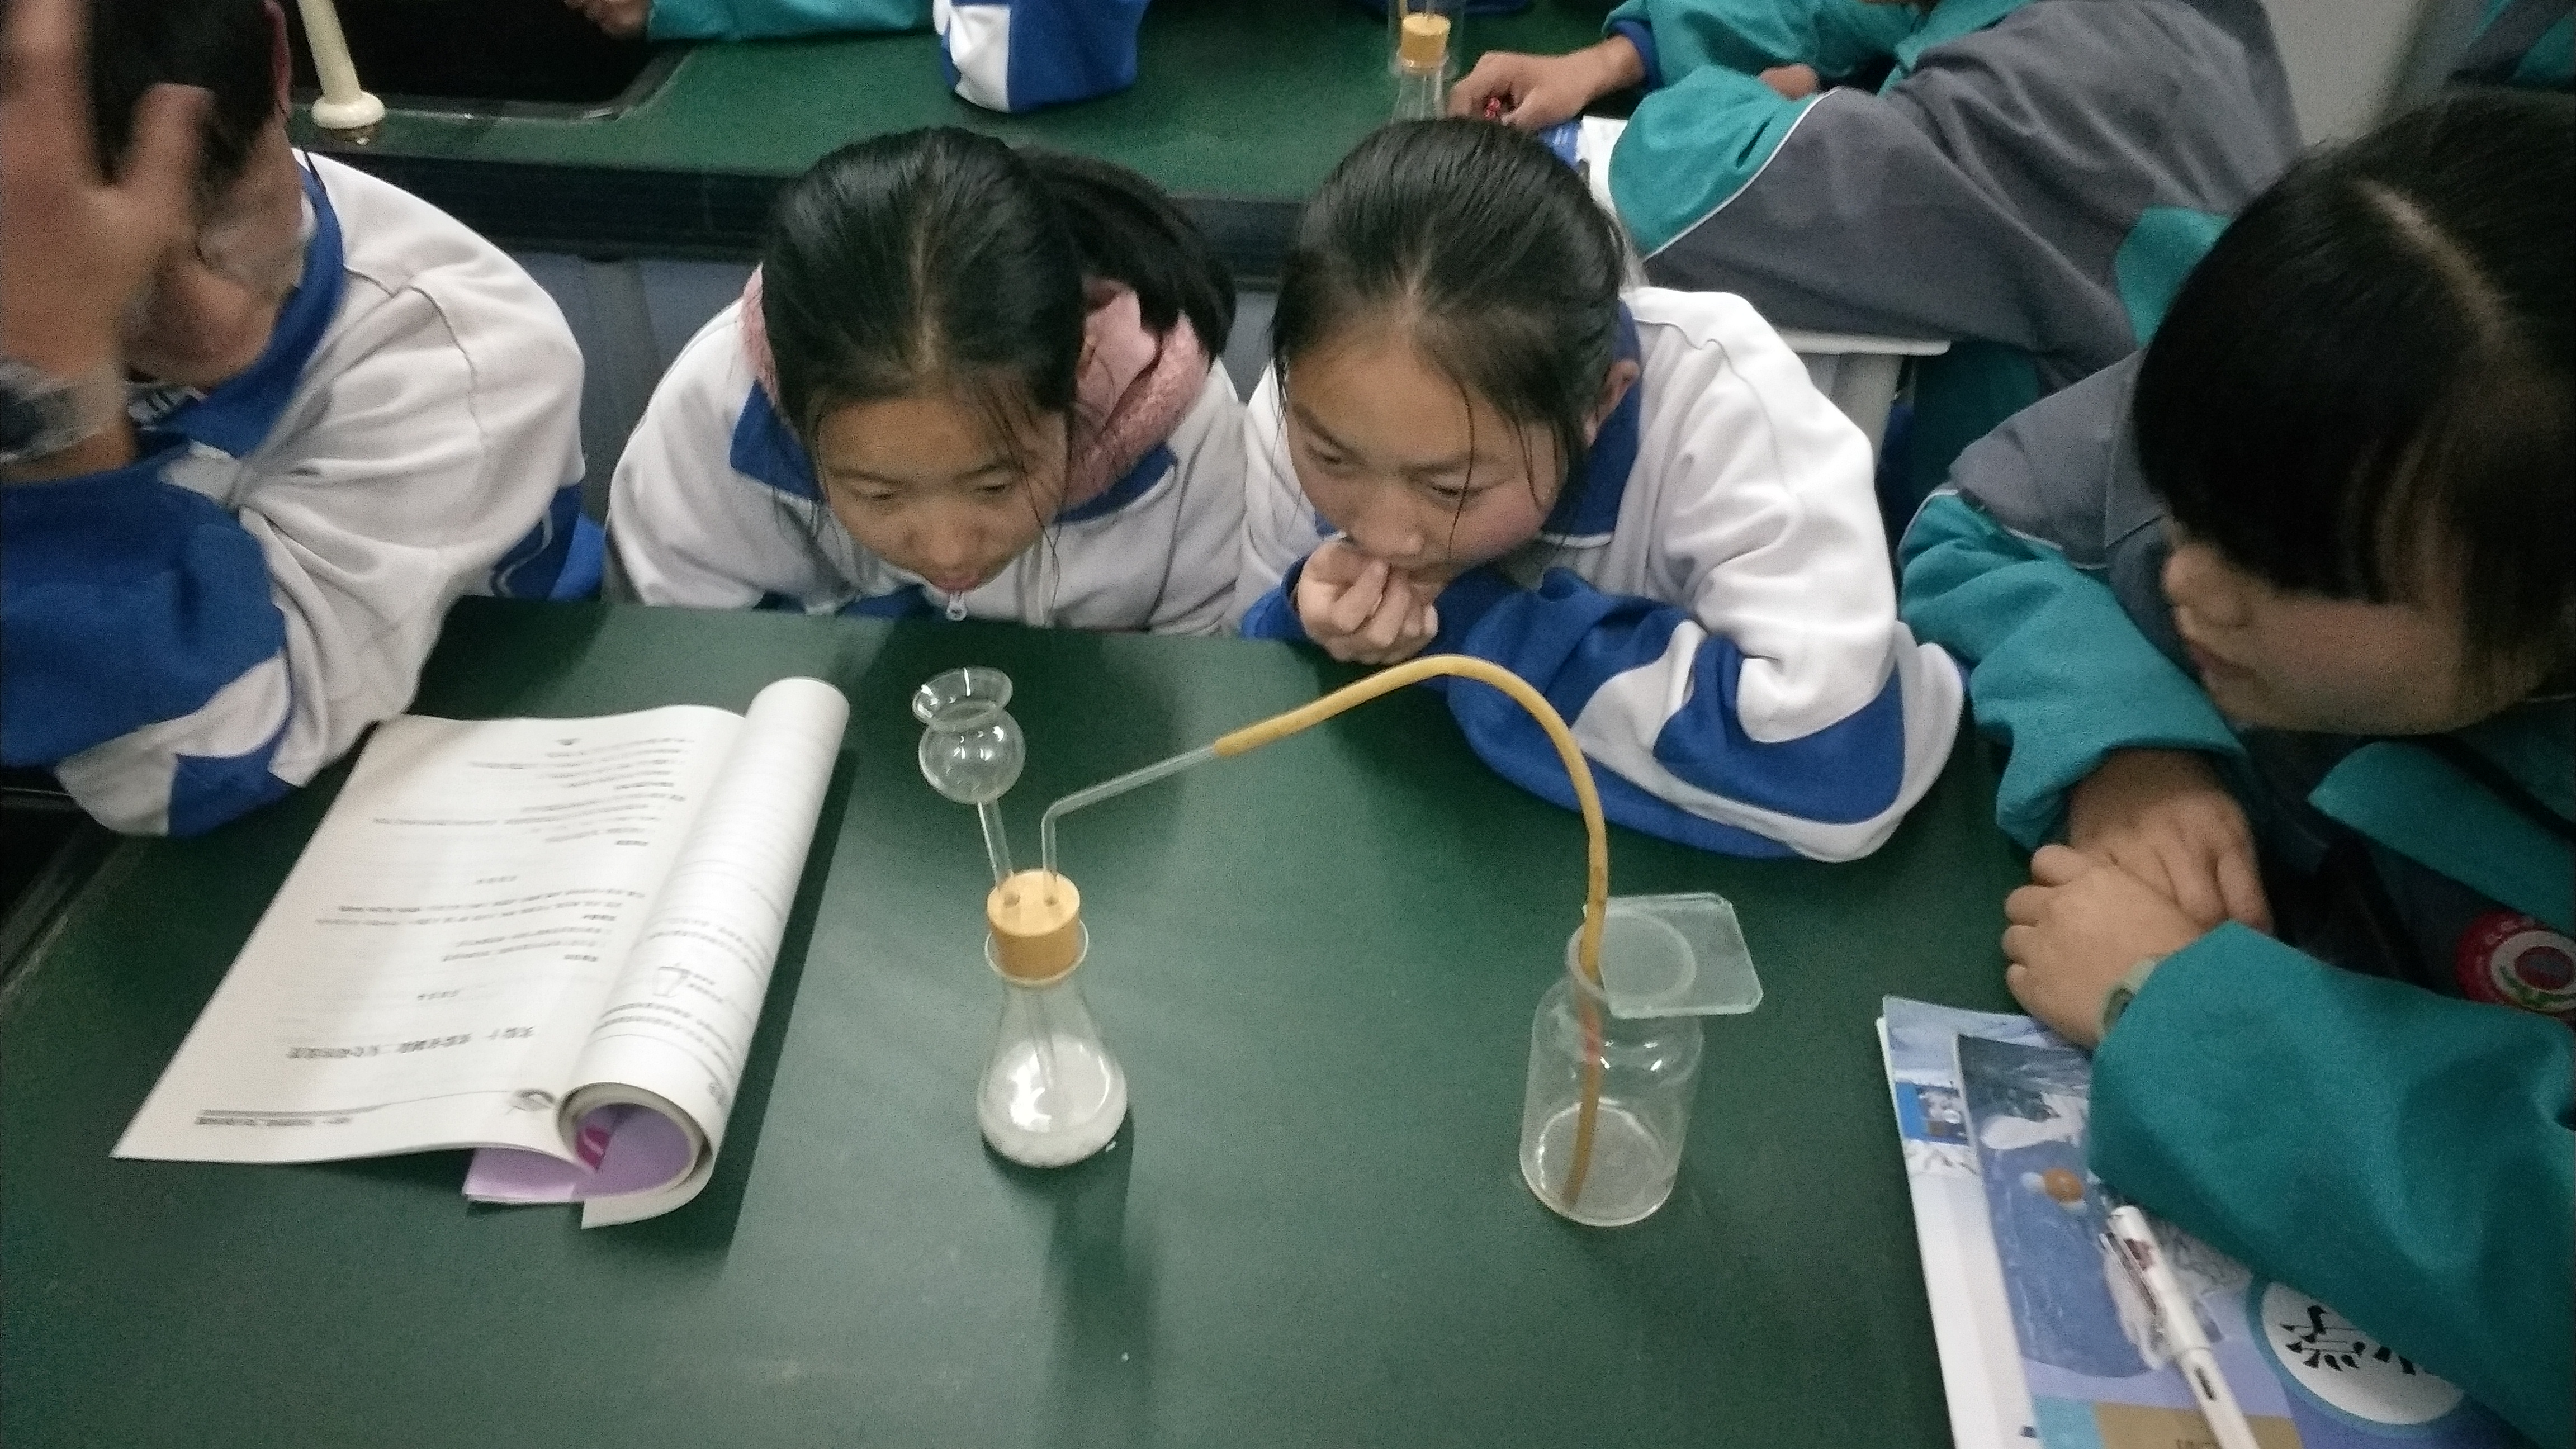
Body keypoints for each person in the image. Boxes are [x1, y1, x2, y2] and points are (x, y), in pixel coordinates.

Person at [1898, 92, 2573, 1445]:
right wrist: (2131, 740)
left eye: (2277, 566)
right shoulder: (2297, 406)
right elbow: (1982, 521)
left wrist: (2176, 1009)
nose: (2190, 581)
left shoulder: (2456, 454)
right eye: (2190, 502)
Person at [1237, 120, 1961, 860]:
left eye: (1452, 489)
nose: (1386, 535)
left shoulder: (1730, 415)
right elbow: (1253, 687)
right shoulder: (1305, 403)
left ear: (1601, 405)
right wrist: (1303, 618)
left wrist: (1471, 622)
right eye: (1332, 459)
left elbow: (1835, 768)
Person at [0, 0, 586, 837]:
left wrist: (51, 401)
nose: (210, 326)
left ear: (280, 60)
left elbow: (195, 767)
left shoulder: (457, 357)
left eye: (231, 217)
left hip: (406, 767)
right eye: (120, 282)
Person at [1449, 0, 2299, 505]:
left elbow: (1706, 197)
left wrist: (1751, 101)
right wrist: (1615, 57)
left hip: (2081, 573)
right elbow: (1853, 8)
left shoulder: (2065, 83)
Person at [610, 129, 1245, 635]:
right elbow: (678, 643)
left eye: (996, 485)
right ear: (793, 412)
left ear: (1079, 363)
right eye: (880, 495)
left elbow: (1207, 666)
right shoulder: (721, 407)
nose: (949, 552)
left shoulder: (1186, 433)